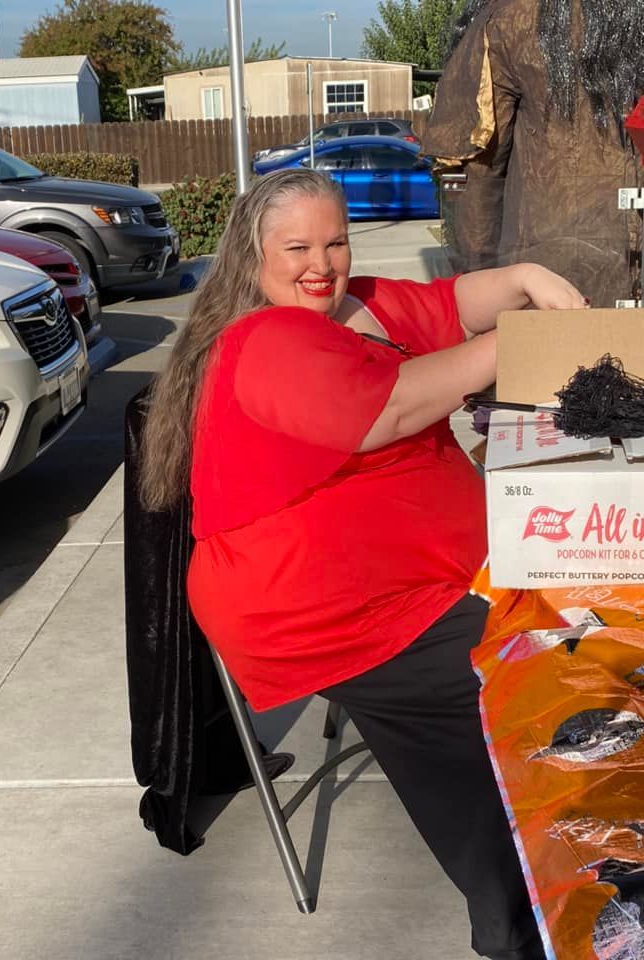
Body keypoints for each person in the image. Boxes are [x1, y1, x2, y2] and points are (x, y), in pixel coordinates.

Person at [139, 169, 587, 959]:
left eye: (336, 241)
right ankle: (520, 924)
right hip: (330, 612)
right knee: (536, 678)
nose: (322, 263)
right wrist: (519, 343)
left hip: (419, 575)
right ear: (251, 255)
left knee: (591, 611)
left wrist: (523, 278)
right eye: (298, 247)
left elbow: (448, 306)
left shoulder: (354, 307)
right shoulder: (264, 339)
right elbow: (394, 409)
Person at [421, 0, 644, 307]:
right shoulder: (514, 19)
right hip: (554, 287)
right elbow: (478, 172)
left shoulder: (510, 17)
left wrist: (478, 292)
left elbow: (477, 176)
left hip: (551, 286)